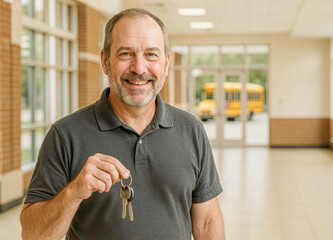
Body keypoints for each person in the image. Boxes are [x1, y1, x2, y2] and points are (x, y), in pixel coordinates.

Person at [20, 8, 224, 240]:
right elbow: (33, 235)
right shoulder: (65, 135)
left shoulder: (191, 130)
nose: (139, 68)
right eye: (126, 53)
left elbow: (207, 223)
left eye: (151, 55)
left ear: (166, 64)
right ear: (105, 61)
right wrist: (74, 193)